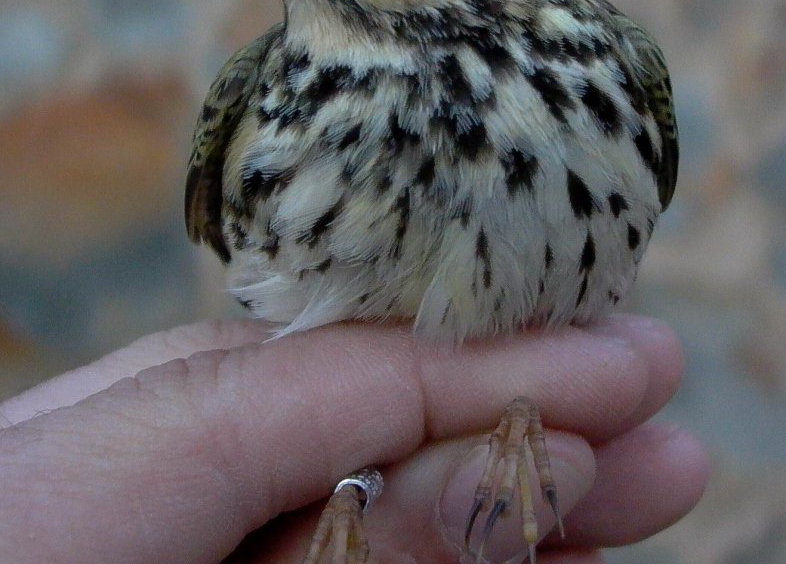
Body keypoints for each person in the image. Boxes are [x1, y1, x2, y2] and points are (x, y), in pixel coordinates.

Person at [0, 314, 708, 563]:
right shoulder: (259, 93)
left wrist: (524, 411)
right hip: (346, 416)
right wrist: (349, 492)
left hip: (521, 385)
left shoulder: (619, 69)